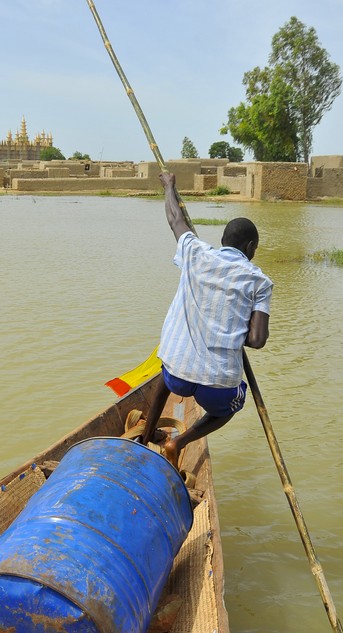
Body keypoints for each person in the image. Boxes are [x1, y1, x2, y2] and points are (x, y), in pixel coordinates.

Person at [139, 172, 272, 468]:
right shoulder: (260, 282)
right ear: (251, 248)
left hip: (177, 376)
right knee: (229, 409)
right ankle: (177, 443)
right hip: (218, 387)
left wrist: (170, 185)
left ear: (223, 241)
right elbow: (257, 341)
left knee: (164, 375)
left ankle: (146, 434)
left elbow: (175, 219)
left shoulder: (195, 253)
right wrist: (236, 328)